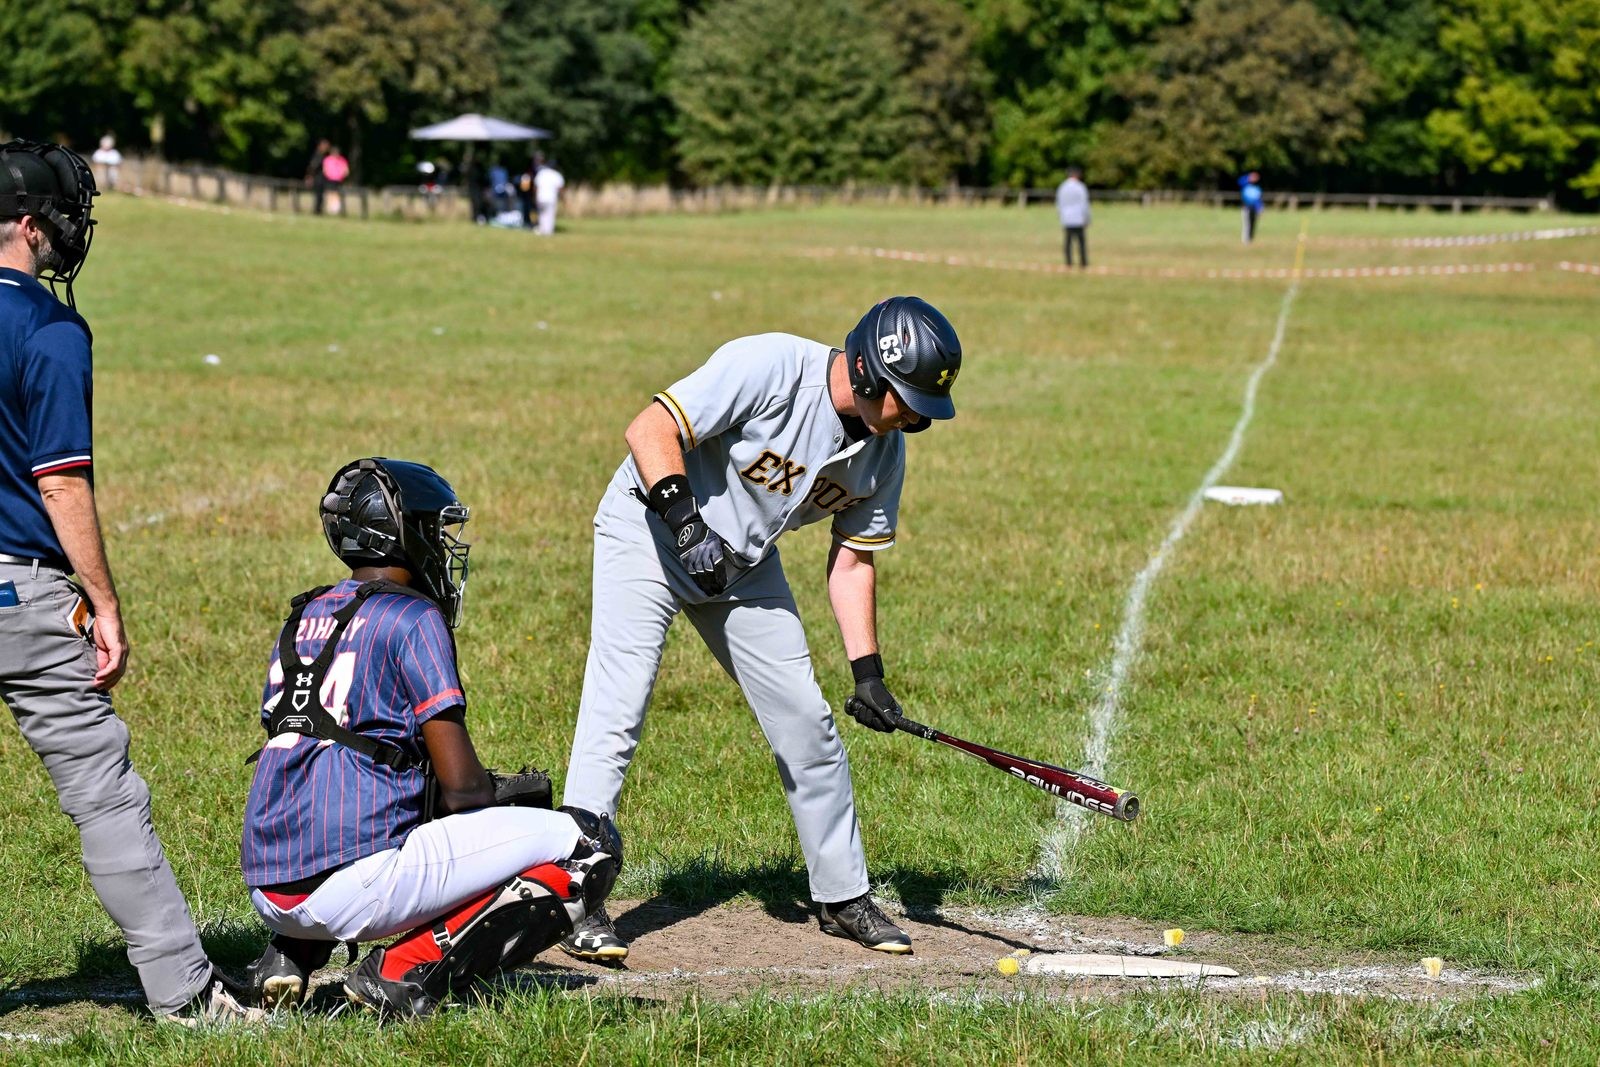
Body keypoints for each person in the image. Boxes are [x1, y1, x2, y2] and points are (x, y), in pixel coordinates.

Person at [560, 297, 964, 961]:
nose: (916, 419)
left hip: (741, 565)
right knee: (618, 705)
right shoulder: (773, 366)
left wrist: (868, 673)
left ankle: (842, 895)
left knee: (808, 721)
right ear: (869, 372)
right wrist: (686, 526)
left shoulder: (882, 454)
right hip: (650, 531)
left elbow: (853, 560)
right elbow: (649, 429)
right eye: (909, 401)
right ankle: (573, 891)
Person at [0, 139, 257, 1025]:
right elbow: (61, 482)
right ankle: (184, 992)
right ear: (30, 226)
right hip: (21, 594)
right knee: (103, 792)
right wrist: (103, 601)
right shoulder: (48, 328)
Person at [240, 458, 620, 1016]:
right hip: (352, 886)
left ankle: (289, 952)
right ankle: (401, 970)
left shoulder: (303, 616)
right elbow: (462, 790)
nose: (443, 547)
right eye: (436, 530)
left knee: (361, 783)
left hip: (269, 885)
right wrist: (502, 801)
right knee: (589, 843)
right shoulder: (412, 616)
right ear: (405, 533)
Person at [1055, 166, 1090, 268]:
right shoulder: (1080, 187)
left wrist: (1061, 215)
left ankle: (1068, 262)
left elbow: (1059, 204)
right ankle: (1083, 262)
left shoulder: (1062, 187)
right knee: (1081, 242)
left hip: (1067, 218)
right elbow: (1084, 204)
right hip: (1078, 218)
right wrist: (1087, 218)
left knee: (1068, 242)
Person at [534, 158, 564, 236]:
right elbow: (560, 188)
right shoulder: (557, 175)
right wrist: (563, 198)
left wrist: (535, 196)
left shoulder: (541, 173)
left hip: (540, 197)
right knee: (550, 215)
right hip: (551, 198)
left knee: (542, 214)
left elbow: (536, 186)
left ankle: (542, 230)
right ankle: (548, 231)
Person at [321, 146, 349, 217]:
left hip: (339, 179)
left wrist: (342, 175)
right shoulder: (327, 159)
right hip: (330, 179)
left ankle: (336, 209)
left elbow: (346, 170)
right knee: (329, 193)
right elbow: (325, 170)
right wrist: (328, 175)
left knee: (337, 194)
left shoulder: (342, 160)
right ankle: (330, 209)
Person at [306, 138, 330, 216]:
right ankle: (317, 211)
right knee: (318, 195)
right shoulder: (318, 155)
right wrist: (310, 177)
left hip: (321, 178)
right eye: (325, 146)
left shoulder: (323, 155)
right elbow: (313, 166)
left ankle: (318, 210)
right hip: (318, 178)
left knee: (320, 195)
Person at [1239, 170, 1263, 244]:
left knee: (1253, 223)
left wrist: (1260, 209)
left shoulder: (1257, 188)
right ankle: (1245, 239)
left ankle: (1250, 238)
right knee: (1246, 223)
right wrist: (1248, 177)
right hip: (1246, 207)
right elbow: (1240, 181)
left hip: (1254, 208)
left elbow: (1258, 200)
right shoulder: (1245, 185)